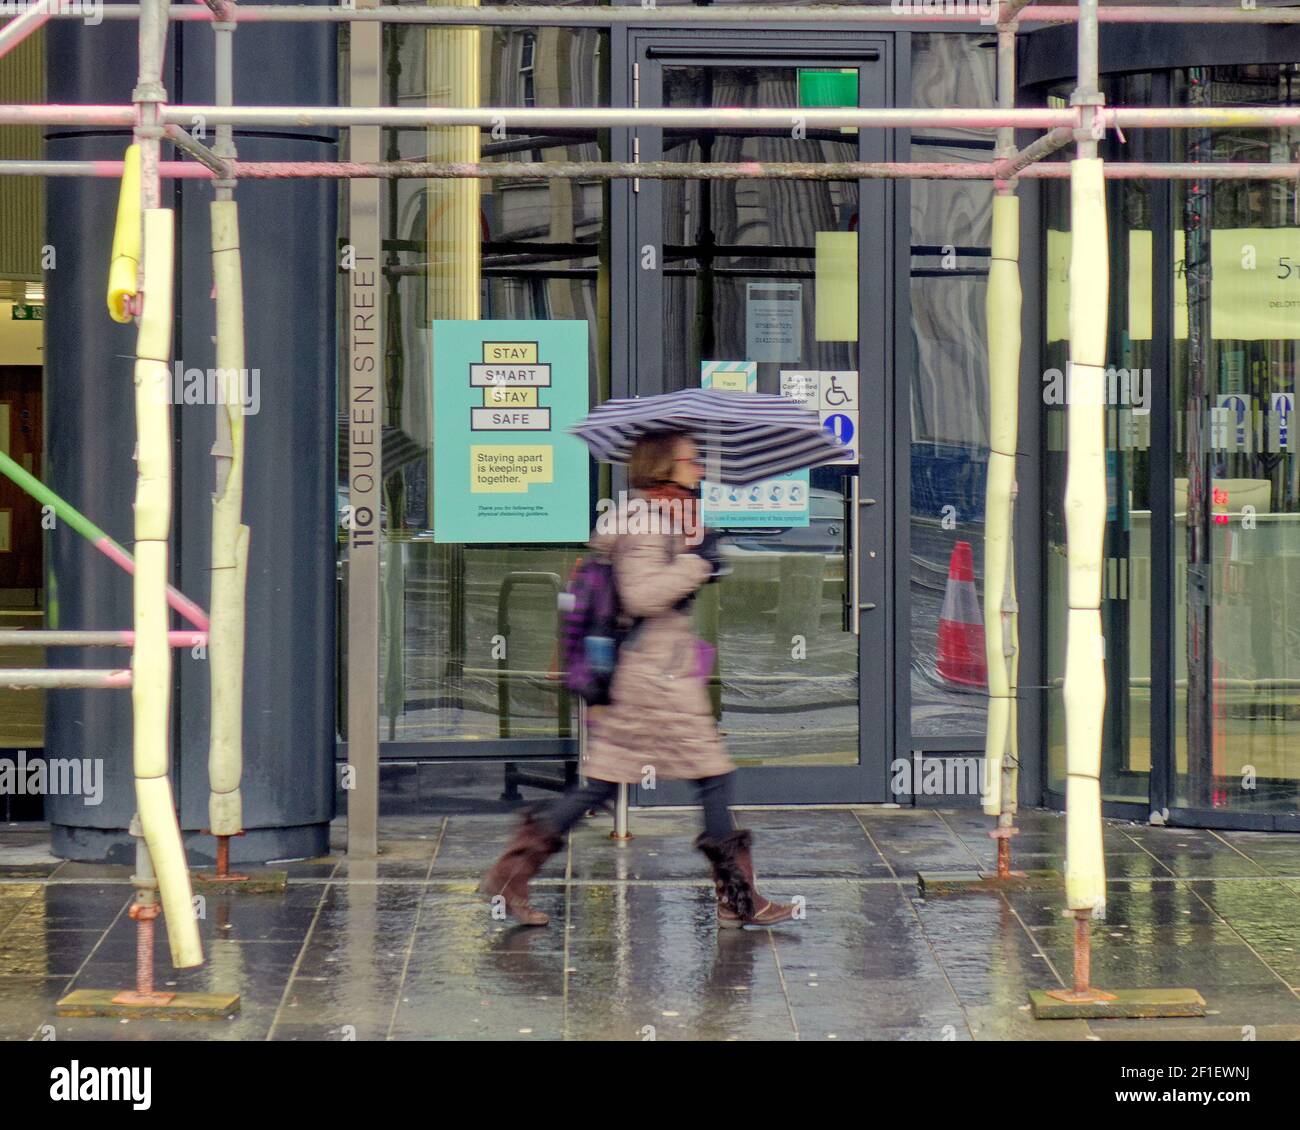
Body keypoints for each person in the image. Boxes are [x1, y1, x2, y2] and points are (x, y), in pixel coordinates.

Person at [479, 429, 798, 930]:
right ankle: (739, 900)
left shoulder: (662, 516)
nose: (700, 469)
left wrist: (699, 557)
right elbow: (643, 595)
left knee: (606, 784)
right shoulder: (649, 522)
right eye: (691, 461)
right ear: (662, 467)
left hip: (654, 671)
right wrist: (698, 563)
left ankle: (511, 871)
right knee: (712, 775)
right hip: (655, 678)